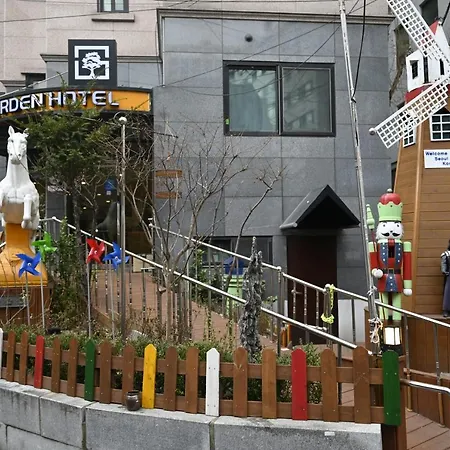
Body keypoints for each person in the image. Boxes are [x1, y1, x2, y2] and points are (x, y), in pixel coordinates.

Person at [441, 240, 450, 317]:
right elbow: (443, 263)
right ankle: (446, 310)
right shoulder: (447, 254)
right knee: (448, 292)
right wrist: (445, 271)